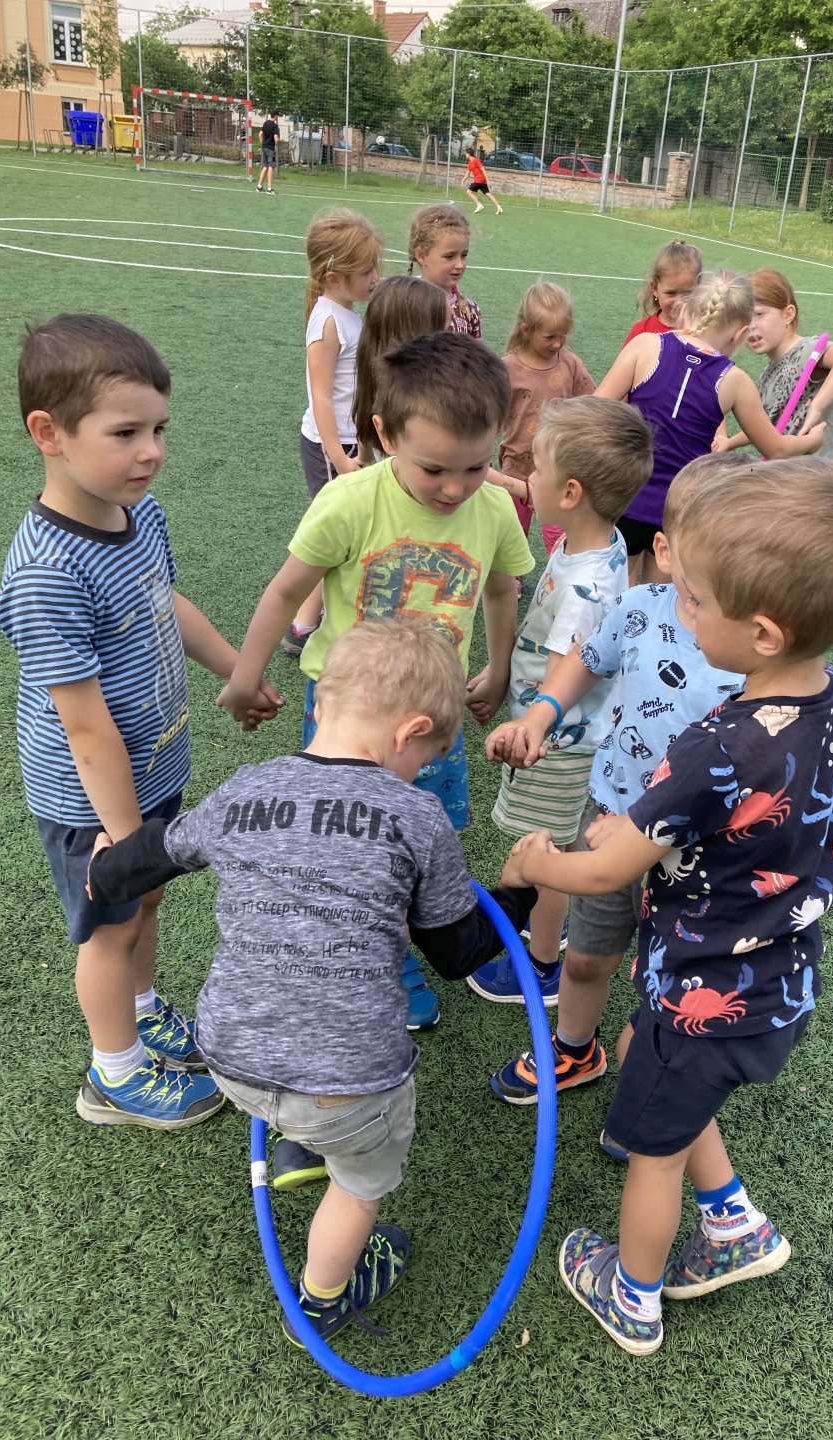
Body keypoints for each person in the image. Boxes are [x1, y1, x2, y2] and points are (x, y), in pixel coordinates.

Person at [498, 456, 833, 1355]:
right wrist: (646, 833)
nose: (681, 608)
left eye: (696, 601)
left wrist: (542, 861)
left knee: (653, 1153)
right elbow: (741, 825)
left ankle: (632, 1294)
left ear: (761, 632)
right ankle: (735, 1222)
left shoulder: (716, 744)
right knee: (669, 1082)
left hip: (699, 989)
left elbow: (607, 871)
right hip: (776, 978)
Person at [86, 619, 537, 1349]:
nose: (422, 771)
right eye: (427, 757)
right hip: (349, 1084)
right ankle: (323, 1300)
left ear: (323, 703)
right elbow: (459, 952)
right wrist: (518, 890)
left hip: (230, 1056)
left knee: (293, 1085)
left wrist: (105, 869)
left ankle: (297, 1135)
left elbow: (156, 853)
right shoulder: (416, 816)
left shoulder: (247, 789)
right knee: (359, 1189)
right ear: (412, 732)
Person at [0, 314, 282, 1130]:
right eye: (125, 433)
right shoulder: (47, 572)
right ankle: (113, 1074)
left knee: (145, 906)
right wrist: (125, 841)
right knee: (108, 931)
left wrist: (238, 671)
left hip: (152, 769)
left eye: (159, 429)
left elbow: (167, 602)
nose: (151, 451)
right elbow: (84, 730)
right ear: (49, 433)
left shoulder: (138, 514)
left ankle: (144, 1011)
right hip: (92, 799)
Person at [216, 331, 534, 1037]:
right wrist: (245, 676)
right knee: (350, 844)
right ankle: (380, 959)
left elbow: (501, 588)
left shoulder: (492, 509)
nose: (455, 488)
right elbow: (284, 591)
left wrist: (500, 666)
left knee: (426, 835)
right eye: (434, 469)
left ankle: (423, 937)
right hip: (349, 716)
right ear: (386, 435)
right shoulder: (351, 501)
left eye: (476, 466)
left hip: (434, 718)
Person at [483, 455, 747, 1110]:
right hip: (609, 813)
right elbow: (587, 659)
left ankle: (659, 1086)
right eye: (703, 584)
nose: (720, 599)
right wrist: (542, 713)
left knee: (672, 983)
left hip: (696, 853)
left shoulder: (754, 652)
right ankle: (575, 1047)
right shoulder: (638, 607)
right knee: (586, 956)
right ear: (666, 550)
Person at [467, 396, 652, 1005]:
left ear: (570, 492)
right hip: (584, 736)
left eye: (537, 467)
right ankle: (553, 934)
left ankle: (541, 962)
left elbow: (562, 679)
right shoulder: (599, 543)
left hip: (556, 745)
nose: (528, 476)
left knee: (540, 852)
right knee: (565, 839)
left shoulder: (582, 587)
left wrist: (531, 729)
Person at [597, 270, 825, 582]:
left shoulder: (645, 346)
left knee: (606, 596)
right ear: (739, 333)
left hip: (626, 499)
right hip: (680, 512)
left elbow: (593, 410)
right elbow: (778, 449)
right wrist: (812, 440)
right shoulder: (735, 381)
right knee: (660, 603)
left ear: (685, 312)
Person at [285, 210, 383, 658]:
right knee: (335, 536)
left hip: (351, 440)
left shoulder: (346, 314)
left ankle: (308, 620)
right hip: (332, 446)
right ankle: (304, 625)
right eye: (366, 271)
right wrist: (340, 458)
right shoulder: (327, 321)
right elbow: (320, 396)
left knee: (345, 533)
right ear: (333, 276)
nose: (375, 277)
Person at [713, 269, 833, 461]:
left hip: (825, 473)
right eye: (744, 319)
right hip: (791, 472)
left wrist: (816, 407)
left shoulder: (807, 351)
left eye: (759, 314)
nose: (751, 326)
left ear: (788, 315)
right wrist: (729, 443)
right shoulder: (767, 374)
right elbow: (767, 424)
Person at [491, 282, 596, 555]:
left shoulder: (570, 363)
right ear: (527, 330)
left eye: (563, 335)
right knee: (511, 537)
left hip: (558, 467)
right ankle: (512, 576)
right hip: (517, 468)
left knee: (560, 537)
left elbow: (592, 402)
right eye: (549, 337)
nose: (558, 343)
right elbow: (490, 415)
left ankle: (561, 573)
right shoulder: (508, 368)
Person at [351, 274, 450, 467]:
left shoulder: (376, 375)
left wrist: (363, 458)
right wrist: (512, 483)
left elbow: (366, 414)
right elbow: (459, 461)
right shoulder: (425, 397)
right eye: (444, 331)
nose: (451, 340)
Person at [407, 204, 482, 339]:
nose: (460, 264)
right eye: (449, 256)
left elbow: (476, 352)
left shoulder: (469, 310)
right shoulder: (407, 306)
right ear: (421, 256)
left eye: (464, 255)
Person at [621, 241, 703, 347]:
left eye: (688, 294)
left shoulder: (704, 330)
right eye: (671, 293)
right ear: (655, 288)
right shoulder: (642, 331)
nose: (680, 301)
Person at [462, 145, 504, 215]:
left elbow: (483, 170)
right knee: (487, 193)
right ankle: (499, 207)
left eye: (466, 153)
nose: (465, 155)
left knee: (469, 192)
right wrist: (463, 180)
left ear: (469, 154)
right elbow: (467, 173)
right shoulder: (470, 163)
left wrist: (488, 181)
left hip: (479, 179)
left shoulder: (476, 160)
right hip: (481, 180)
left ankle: (479, 205)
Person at [256, 110, 280, 194]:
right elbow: (276, 139)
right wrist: (280, 140)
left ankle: (259, 186)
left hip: (264, 147)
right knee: (271, 167)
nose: (278, 117)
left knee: (265, 166)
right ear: (275, 116)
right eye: (278, 115)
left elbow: (260, 134)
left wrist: (262, 143)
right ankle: (269, 188)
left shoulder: (265, 123)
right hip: (270, 148)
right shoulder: (274, 126)